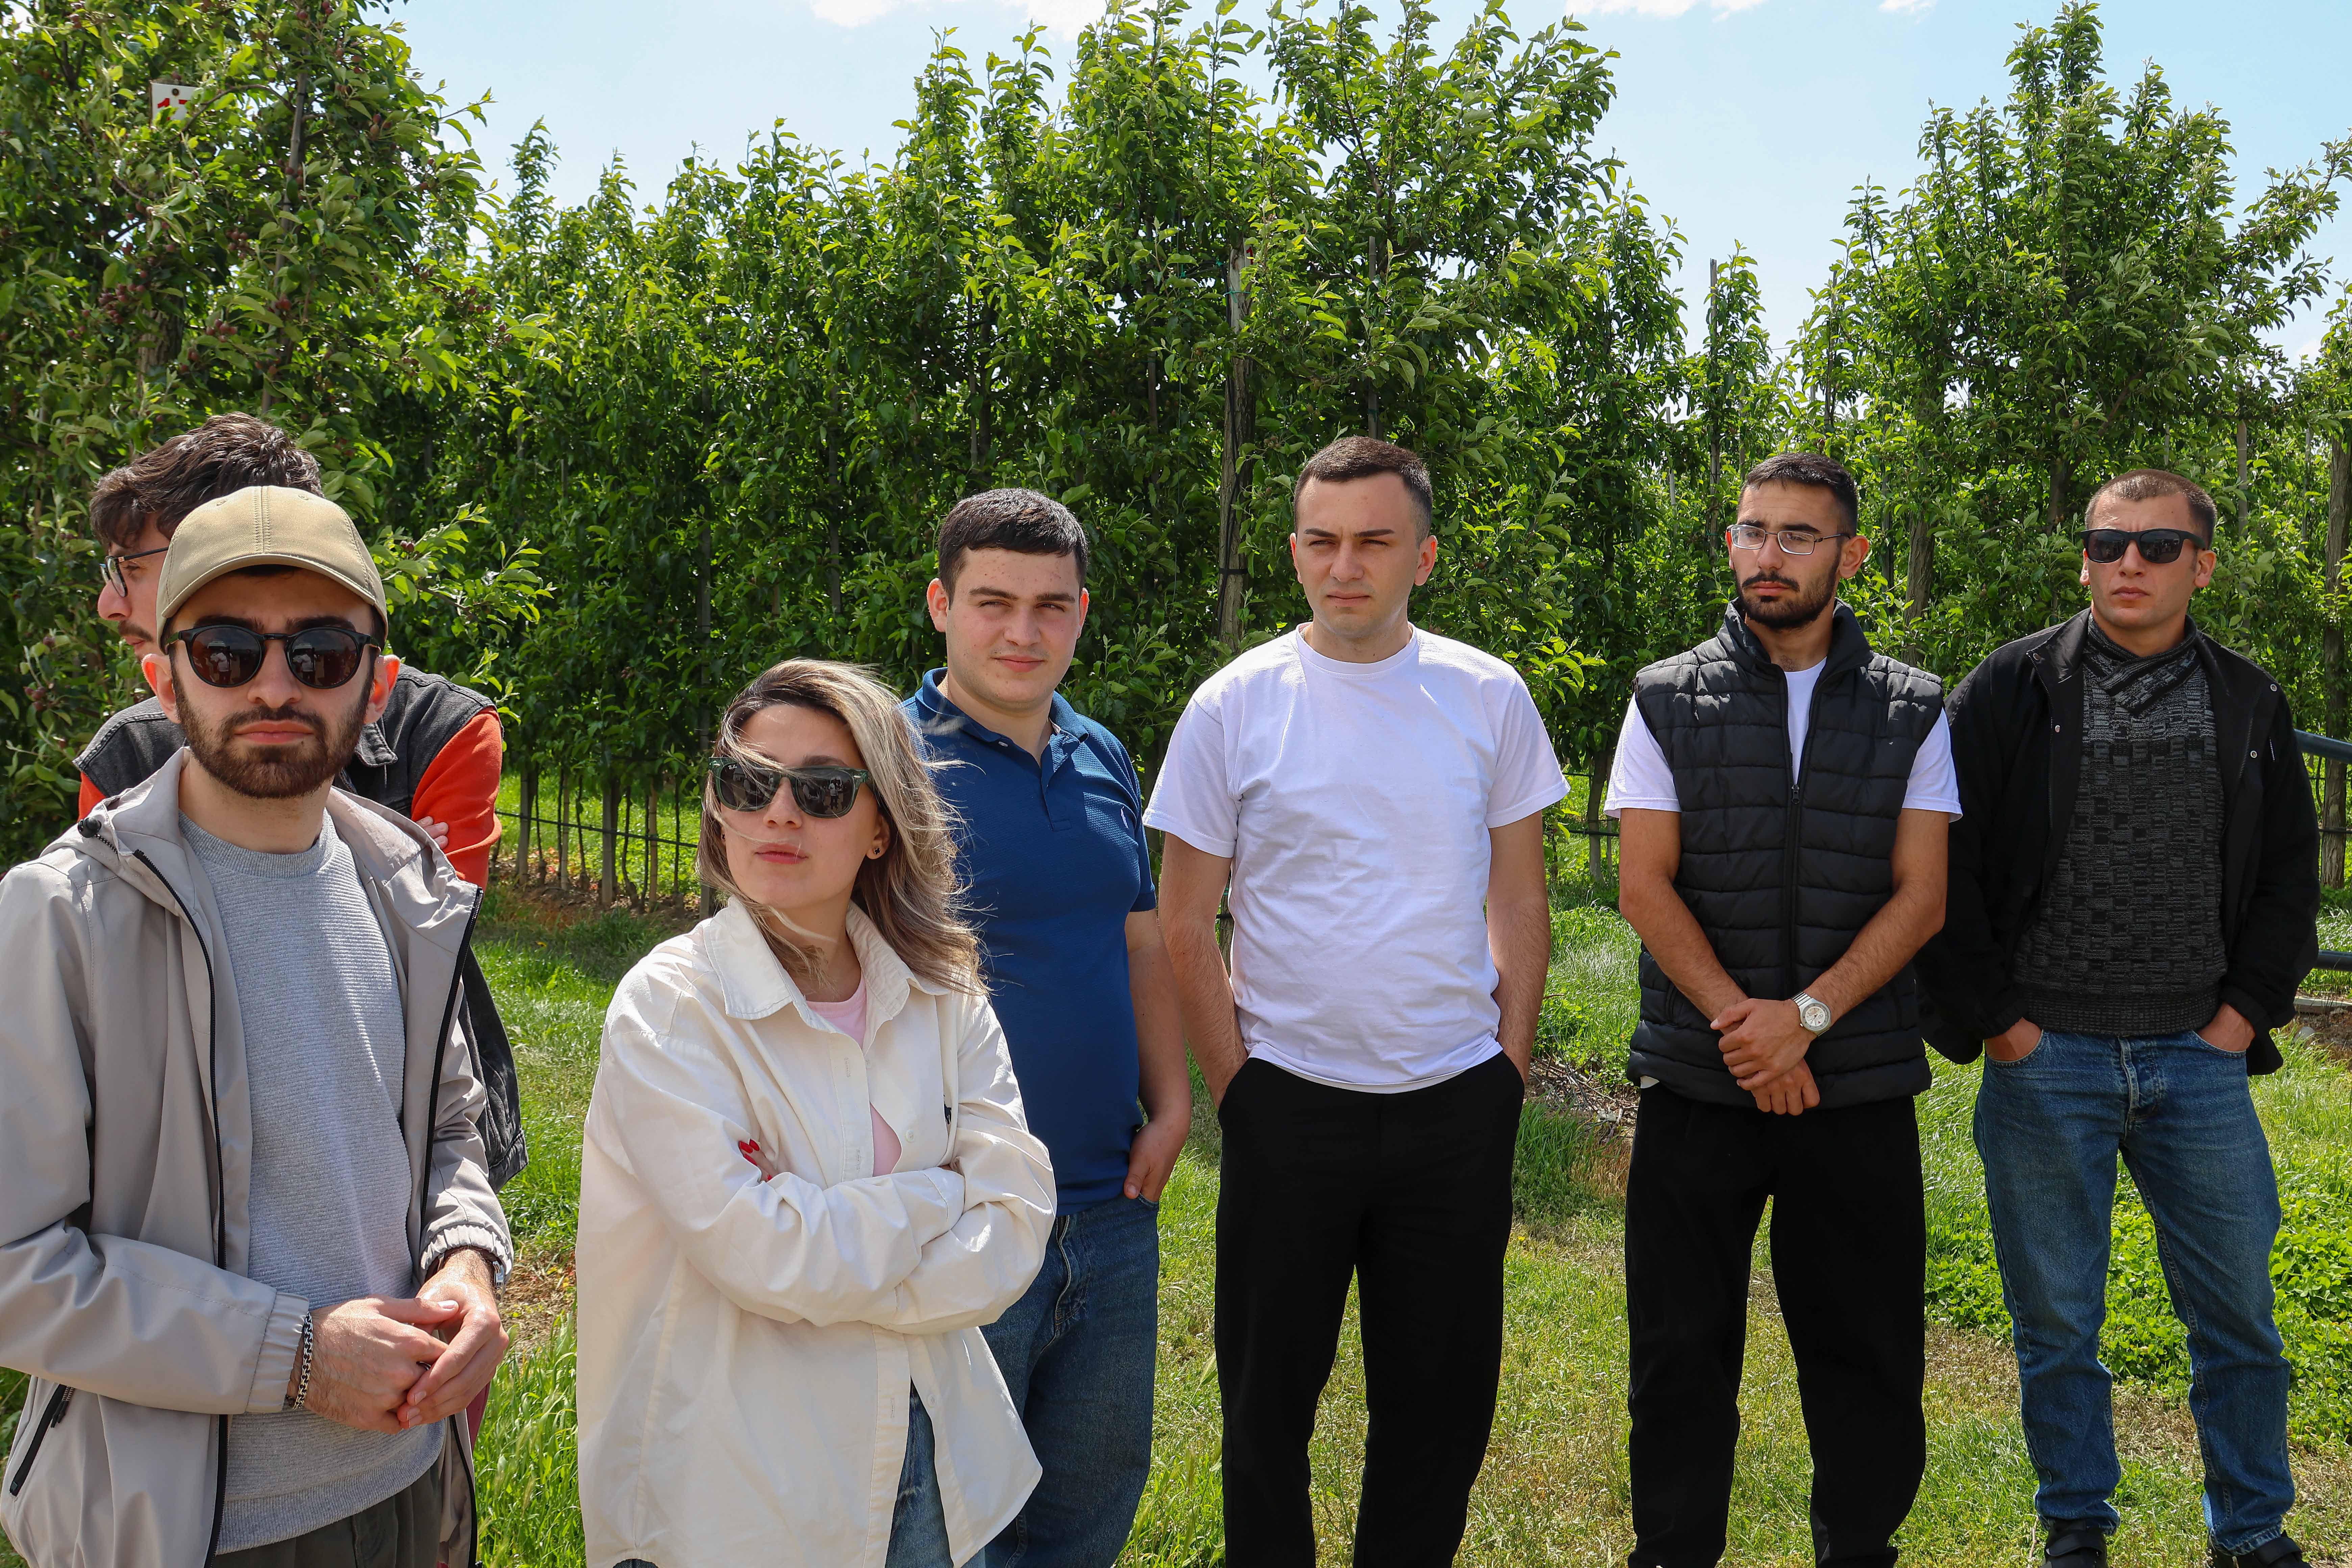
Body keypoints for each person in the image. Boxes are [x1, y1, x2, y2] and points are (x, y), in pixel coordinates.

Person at [0, 485, 513, 1568]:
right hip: (185, 1529)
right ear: (164, 677)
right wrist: (294, 1357)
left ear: (376, 687)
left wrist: (467, 1259)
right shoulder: (62, 920)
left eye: (320, 654)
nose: (275, 686)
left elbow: (449, 1134)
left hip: (411, 1487)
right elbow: (14, 1269)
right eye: (227, 652)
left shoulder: (406, 892)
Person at [1146, 436, 1563, 1566]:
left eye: (1374, 541)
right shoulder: (1234, 707)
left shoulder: (1488, 697)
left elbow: (1520, 900)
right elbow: (1185, 920)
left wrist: (1507, 1069)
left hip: (1454, 1103)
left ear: (1422, 556)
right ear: (1294, 551)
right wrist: (1239, 1092)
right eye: (1322, 542)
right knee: (1265, 1407)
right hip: (1289, 1102)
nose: (1345, 566)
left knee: (1440, 1408)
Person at [1916, 470, 2320, 1568]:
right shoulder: (2009, 689)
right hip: (2046, 1060)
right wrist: (2001, 1024)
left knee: (2239, 1320)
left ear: (2203, 565)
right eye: (2107, 545)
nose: (2128, 564)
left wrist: (2241, 1018)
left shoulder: (2249, 699)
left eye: (2156, 545)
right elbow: (1941, 863)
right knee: (2058, 1324)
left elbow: (2290, 876)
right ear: (2085, 559)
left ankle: (2252, 1530)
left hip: (2200, 1061)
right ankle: (2077, 1529)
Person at [575, 659, 1056, 1568]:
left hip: (928, 1463)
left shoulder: (946, 993)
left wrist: (828, 1251)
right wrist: (940, 1196)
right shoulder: (672, 1007)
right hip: (735, 1489)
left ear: (881, 826)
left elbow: (1018, 1220)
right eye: (749, 783)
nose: (779, 815)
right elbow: (764, 1254)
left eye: (824, 790)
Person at [1606, 450, 1957, 1568]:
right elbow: (1644, 886)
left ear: (1852, 556)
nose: (1769, 555)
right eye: (1753, 531)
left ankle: (1859, 1550)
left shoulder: (1913, 708)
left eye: (1799, 535)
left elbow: (1923, 895)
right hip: (1699, 1081)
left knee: (1867, 1356)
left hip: (1855, 1088)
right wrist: (1748, 1029)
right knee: (1678, 1352)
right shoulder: (1666, 697)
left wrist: (1804, 1018)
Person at [903, 491, 1188, 1568]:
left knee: (1089, 1504)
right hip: (957, 1204)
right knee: (950, 1519)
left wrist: (1172, 1104)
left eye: (1050, 606)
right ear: (942, 605)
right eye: (993, 603)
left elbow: (1140, 938)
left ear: (1081, 614)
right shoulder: (888, 763)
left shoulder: (1101, 752)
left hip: (1112, 1207)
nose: (1023, 633)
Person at [78, 412, 505, 886]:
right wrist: (389, 864)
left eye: (131, 568)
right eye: (227, 652)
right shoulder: (128, 752)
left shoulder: (437, 729)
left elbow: (441, 916)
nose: (108, 605)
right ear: (165, 689)